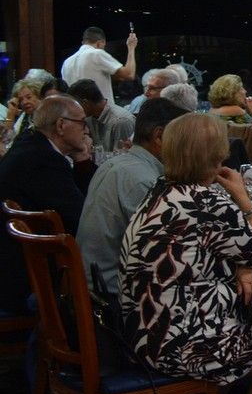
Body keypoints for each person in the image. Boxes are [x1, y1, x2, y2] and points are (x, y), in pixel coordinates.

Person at [119, 112, 252, 394]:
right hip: (177, 342)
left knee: (232, 328)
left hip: (141, 331)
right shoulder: (207, 202)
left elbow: (200, 252)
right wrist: (243, 199)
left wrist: (241, 265)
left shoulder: (157, 193)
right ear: (218, 157)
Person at [77, 98, 187, 297]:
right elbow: (163, 254)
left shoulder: (116, 165)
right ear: (160, 136)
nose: (187, 150)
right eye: (184, 140)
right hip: (112, 296)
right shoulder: (144, 181)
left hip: (91, 284)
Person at [0, 96, 93, 312]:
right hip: (23, 281)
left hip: (16, 264)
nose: (86, 130)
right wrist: (83, 161)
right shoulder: (43, 160)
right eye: (81, 123)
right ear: (61, 125)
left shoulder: (30, 144)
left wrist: (81, 158)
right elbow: (82, 217)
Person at [61, 25, 138, 103]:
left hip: (77, 112)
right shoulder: (96, 54)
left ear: (83, 42)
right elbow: (129, 74)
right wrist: (131, 47)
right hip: (100, 112)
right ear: (100, 43)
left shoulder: (66, 62)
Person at [67, 79, 136, 154]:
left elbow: (124, 159)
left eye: (74, 106)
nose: (73, 110)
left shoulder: (121, 121)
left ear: (85, 103)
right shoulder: (88, 118)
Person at [2, 77, 44, 146]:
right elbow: (6, 141)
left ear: (38, 96)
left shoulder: (47, 115)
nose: (24, 102)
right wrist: (10, 114)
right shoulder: (25, 117)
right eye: (21, 100)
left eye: (29, 97)